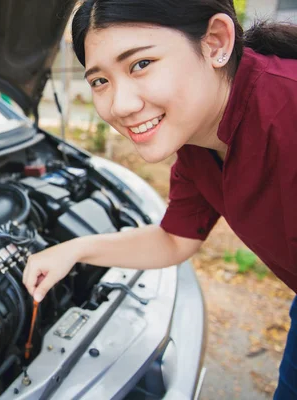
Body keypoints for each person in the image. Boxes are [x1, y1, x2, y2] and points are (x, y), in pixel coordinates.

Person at [22, 0, 297, 397]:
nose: (120, 105)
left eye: (140, 64)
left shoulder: (287, 110)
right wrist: (71, 251)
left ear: (216, 42)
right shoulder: (196, 143)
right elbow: (174, 240)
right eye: (100, 81)